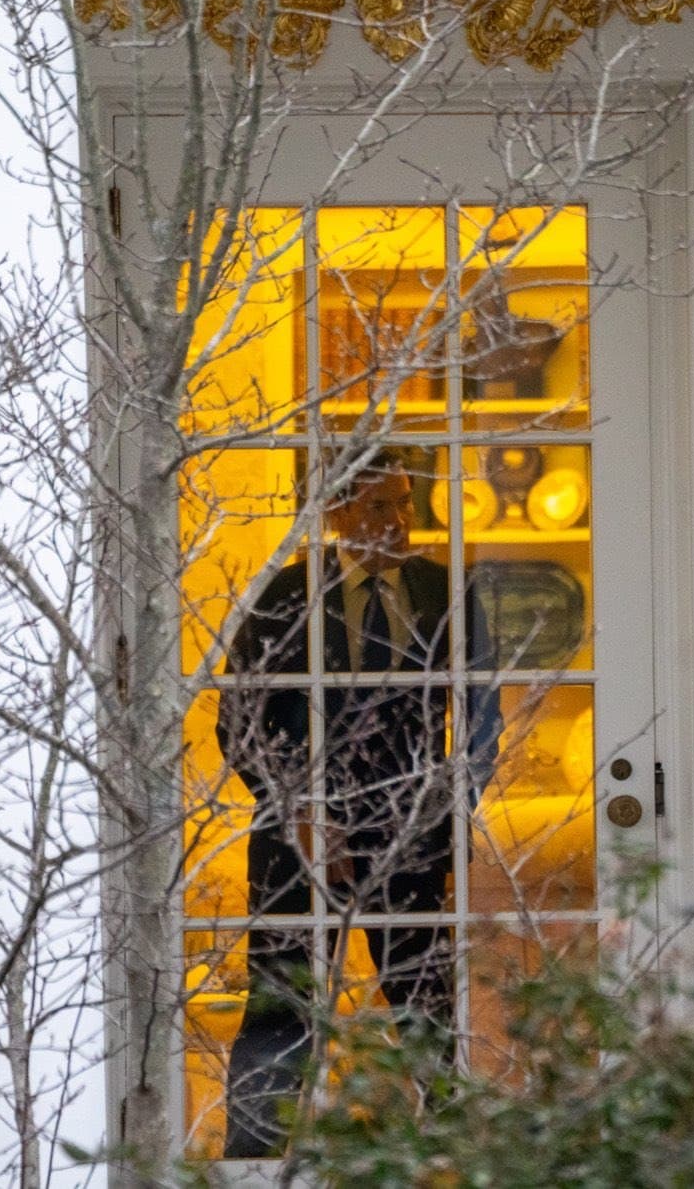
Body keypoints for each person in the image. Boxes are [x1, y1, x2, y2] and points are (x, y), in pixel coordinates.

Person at [213, 450, 500, 1158]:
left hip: (413, 841)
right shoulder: (285, 594)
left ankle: (453, 1154)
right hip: (300, 847)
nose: (398, 521)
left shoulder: (446, 590)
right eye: (379, 507)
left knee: (428, 1006)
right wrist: (301, 811)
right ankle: (254, 1163)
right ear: (339, 513)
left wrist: (442, 810)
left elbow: (483, 717)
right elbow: (238, 722)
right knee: (283, 1006)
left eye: (405, 504)